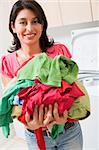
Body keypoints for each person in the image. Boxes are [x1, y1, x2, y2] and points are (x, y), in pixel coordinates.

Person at [0, 0, 83, 149]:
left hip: (69, 131)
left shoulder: (59, 52)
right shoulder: (8, 62)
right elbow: (14, 104)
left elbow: (72, 89)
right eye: (23, 22)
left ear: (42, 25)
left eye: (35, 21)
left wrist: (66, 115)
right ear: (13, 26)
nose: (29, 28)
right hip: (35, 135)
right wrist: (28, 123)